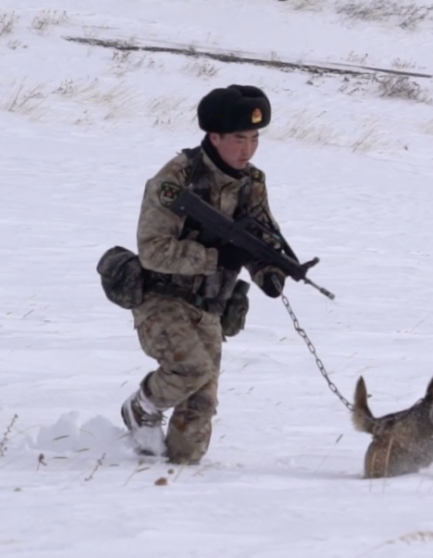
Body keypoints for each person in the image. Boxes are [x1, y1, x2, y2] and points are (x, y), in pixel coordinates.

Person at [120, 84, 288, 464]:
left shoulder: (252, 184)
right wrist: (216, 257)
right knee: (190, 369)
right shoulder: (176, 180)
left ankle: (177, 481)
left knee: (198, 418)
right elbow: (153, 250)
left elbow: (262, 238)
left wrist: (269, 272)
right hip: (161, 298)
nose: (248, 149)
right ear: (214, 136)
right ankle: (141, 408)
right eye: (238, 139)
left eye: (255, 138)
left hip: (210, 304)